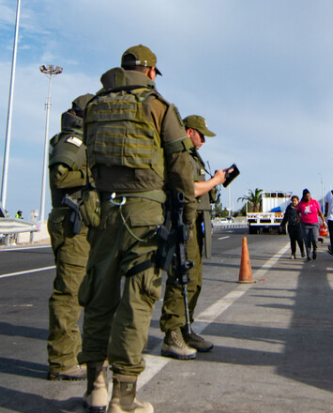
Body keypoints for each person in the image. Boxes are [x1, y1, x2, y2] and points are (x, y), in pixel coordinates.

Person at [78, 45, 197, 413]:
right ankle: (123, 399)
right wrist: (187, 212)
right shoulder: (157, 105)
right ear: (149, 72)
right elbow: (180, 164)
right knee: (137, 300)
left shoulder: (95, 106)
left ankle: (95, 386)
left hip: (102, 211)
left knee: (98, 298)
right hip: (144, 213)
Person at [159, 114, 228, 361]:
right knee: (182, 277)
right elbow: (191, 188)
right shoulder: (181, 156)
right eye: (201, 135)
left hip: (195, 222)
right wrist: (215, 181)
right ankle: (172, 334)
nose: (203, 141)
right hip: (181, 222)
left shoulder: (194, 157)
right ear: (189, 132)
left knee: (195, 280)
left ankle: (186, 328)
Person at [46, 94, 95, 381]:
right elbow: (60, 178)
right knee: (70, 292)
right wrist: (94, 175)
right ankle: (62, 361)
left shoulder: (81, 141)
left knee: (81, 291)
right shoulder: (72, 142)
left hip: (81, 223)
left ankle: (72, 355)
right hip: (71, 222)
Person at [297, 189, 320, 261]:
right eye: (306, 196)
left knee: (314, 239)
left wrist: (324, 221)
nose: (308, 197)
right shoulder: (301, 204)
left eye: (309, 196)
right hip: (304, 224)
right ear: (303, 196)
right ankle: (309, 256)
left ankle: (315, 250)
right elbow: (297, 212)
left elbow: (319, 211)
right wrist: (299, 218)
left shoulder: (314, 202)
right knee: (307, 240)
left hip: (314, 223)